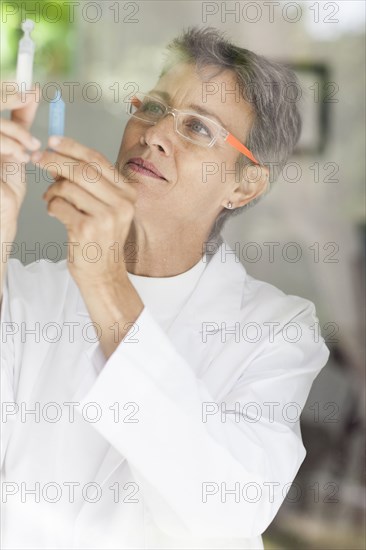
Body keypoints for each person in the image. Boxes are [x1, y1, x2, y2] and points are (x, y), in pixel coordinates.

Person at [0, 27, 329, 549]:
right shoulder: (23, 294)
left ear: (244, 185)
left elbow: (226, 514)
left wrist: (105, 280)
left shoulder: (278, 332)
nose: (154, 134)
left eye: (198, 128)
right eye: (153, 107)